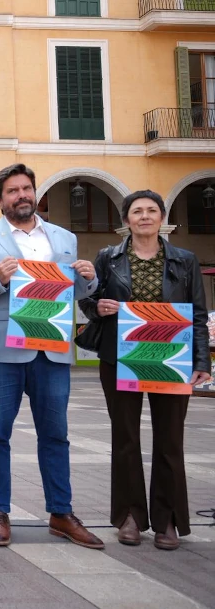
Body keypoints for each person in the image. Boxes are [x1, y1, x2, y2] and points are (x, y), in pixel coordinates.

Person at [0, 164, 104, 549]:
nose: (21, 195)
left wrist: (89, 279)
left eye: (26, 188)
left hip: (52, 351)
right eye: (12, 190)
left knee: (56, 435)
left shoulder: (64, 237)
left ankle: (61, 512)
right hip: (2, 352)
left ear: (35, 193)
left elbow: (75, 292)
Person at [80, 190, 210, 550]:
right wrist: (98, 308)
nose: (145, 216)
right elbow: (88, 298)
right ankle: (130, 517)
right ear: (126, 220)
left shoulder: (185, 260)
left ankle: (168, 520)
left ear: (162, 217)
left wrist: (201, 361)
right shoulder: (108, 258)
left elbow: (198, 314)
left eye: (152, 210)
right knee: (125, 439)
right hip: (120, 356)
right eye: (137, 211)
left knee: (170, 440)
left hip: (172, 357)